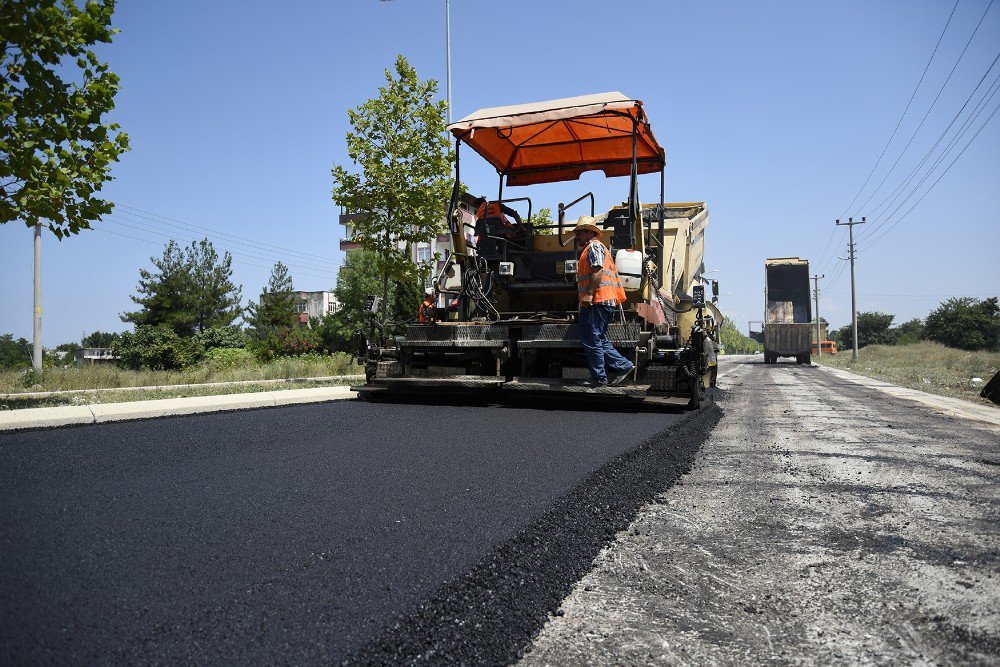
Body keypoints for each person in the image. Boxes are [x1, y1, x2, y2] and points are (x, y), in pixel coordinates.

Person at [574, 217, 634, 388]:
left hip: (597, 301)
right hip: (601, 301)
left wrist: (589, 294)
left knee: (592, 339)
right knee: (598, 338)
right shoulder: (593, 248)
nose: (577, 236)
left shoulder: (594, 246)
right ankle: (624, 365)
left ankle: (599, 378)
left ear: (590, 232)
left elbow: (597, 270)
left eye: (580, 232)